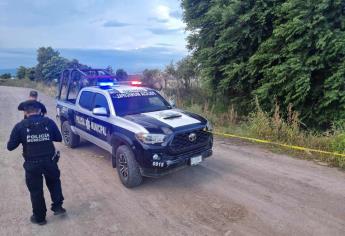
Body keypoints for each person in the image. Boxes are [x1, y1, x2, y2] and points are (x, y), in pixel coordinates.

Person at [7, 100, 66, 225]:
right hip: (50, 161)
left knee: (36, 191)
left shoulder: (20, 126)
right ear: (39, 111)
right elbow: (58, 138)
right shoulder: (48, 122)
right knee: (54, 183)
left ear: (25, 112)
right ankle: (58, 207)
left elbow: (10, 146)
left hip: (32, 164)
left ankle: (40, 218)